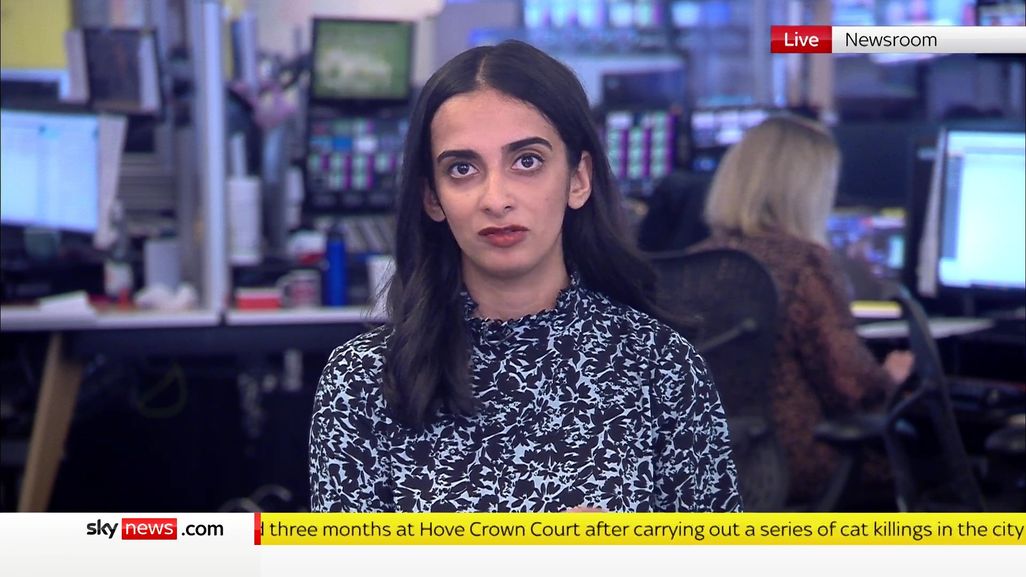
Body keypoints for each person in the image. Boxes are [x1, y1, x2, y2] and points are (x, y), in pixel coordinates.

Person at [309, 40, 740, 513]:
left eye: (527, 161)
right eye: (462, 169)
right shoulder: (361, 380)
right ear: (433, 198)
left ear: (578, 179)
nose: (496, 199)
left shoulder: (660, 366)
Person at [689, 115, 914, 505]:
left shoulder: (697, 263)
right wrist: (892, 376)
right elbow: (852, 388)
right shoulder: (805, 264)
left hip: (703, 471)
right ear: (807, 191)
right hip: (794, 467)